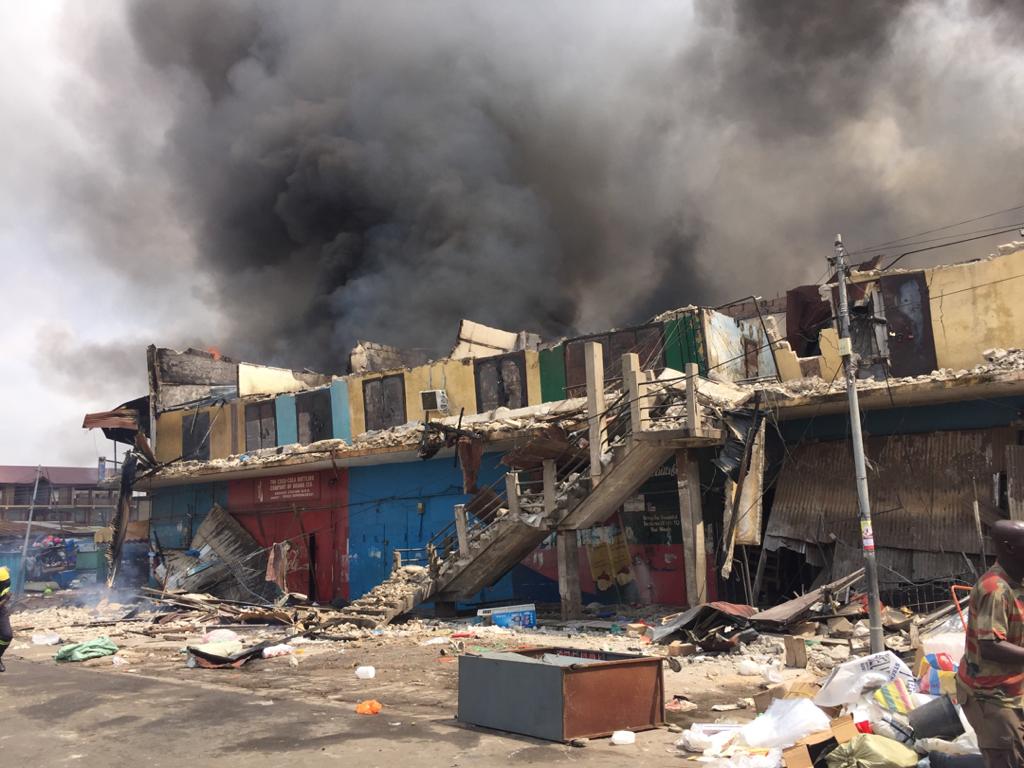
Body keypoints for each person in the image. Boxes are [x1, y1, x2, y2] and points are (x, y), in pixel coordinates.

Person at [957, 519, 1024, 767]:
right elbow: (991, 645)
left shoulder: (1019, 581)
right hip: (990, 696)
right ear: (1009, 548)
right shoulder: (994, 589)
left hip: (1014, 689)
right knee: (1007, 760)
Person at [0, 565, 11, 672]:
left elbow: (5, 568)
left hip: (1, 609)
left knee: (7, 635)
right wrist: (6, 599)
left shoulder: (5, 580)